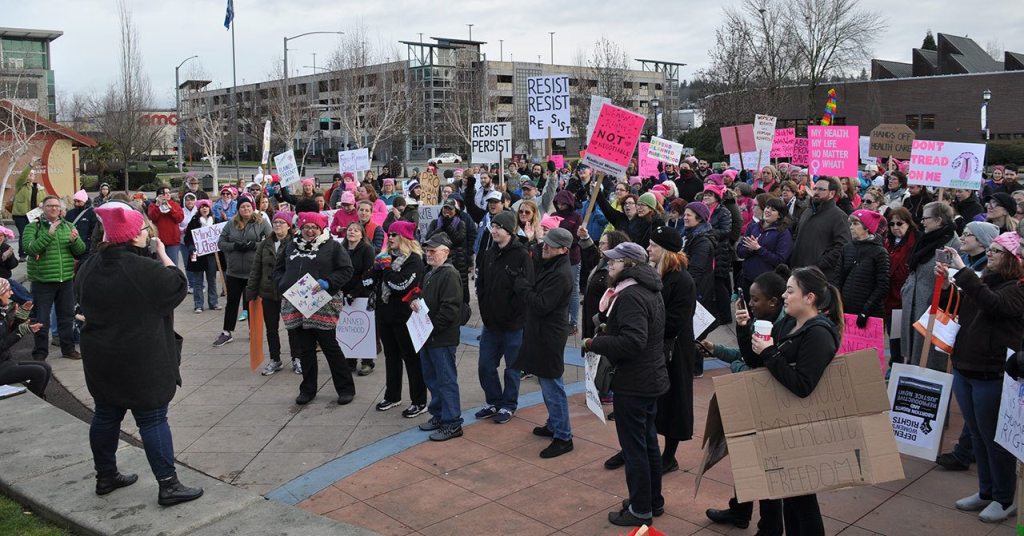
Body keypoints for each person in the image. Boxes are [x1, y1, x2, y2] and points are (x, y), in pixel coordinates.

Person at [75, 204, 203, 506]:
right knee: (154, 418)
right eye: (144, 229)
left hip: (101, 357)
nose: (148, 233)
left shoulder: (90, 265)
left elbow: (79, 298)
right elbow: (177, 286)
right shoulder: (144, 269)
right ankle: (168, 485)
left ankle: (105, 475)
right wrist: (163, 254)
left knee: (106, 415)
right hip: (140, 359)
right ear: (133, 237)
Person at [935, 234, 1024, 523]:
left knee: (994, 440)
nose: (992, 254)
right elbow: (964, 308)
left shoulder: (1017, 289)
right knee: (977, 436)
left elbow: (993, 305)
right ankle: (986, 491)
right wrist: (949, 287)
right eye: (993, 249)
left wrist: (962, 272)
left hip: (992, 372)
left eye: (998, 251)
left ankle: (1004, 497)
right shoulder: (985, 280)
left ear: (1012, 259)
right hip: (966, 367)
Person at [750, 266, 844, 535]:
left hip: (803, 427)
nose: (784, 296)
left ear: (809, 297)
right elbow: (757, 360)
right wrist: (745, 328)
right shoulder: (790, 323)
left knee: (802, 499)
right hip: (783, 422)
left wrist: (770, 354)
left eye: (790, 291)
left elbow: (803, 385)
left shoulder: (819, 334)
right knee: (791, 496)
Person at [583, 242, 667, 527]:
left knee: (635, 449)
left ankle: (641, 509)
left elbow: (633, 341)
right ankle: (652, 500)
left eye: (614, 261)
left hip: (636, 381)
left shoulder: (631, 294)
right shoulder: (648, 288)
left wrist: (596, 342)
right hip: (649, 377)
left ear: (630, 265)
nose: (609, 265)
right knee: (647, 443)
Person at [704, 267, 790, 532]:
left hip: (769, 404)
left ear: (774, 302)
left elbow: (758, 368)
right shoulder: (761, 322)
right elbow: (747, 356)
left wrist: (738, 368)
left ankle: (770, 527)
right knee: (744, 457)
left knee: (767, 469)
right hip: (753, 399)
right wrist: (718, 348)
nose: (750, 304)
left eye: (755, 300)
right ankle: (740, 510)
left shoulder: (784, 328)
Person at [605, 227, 695, 473]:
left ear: (665, 251)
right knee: (645, 406)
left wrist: (642, 325)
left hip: (674, 350)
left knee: (673, 403)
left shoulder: (682, 280)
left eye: (653, 245)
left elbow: (676, 320)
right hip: (651, 346)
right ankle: (634, 447)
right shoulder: (653, 274)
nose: (648, 249)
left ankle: (669, 456)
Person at [272, 211, 356, 405]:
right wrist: (282, 284)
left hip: (323, 303)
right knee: (305, 348)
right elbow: (278, 270)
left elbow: (346, 270)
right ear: (300, 228)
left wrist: (329, 282)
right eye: (306, 227)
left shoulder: (333, 246)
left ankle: (345, 388)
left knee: (330, 346)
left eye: (314, 227)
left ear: (321, 229)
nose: (310, 231)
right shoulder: (291, 246)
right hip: (296, 303)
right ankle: (308, 389)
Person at [514, 227, 575, 458]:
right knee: (547, 381)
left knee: (552, 385)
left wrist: (523, 288)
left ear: (563, 250)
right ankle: (554, 424)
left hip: (549, 334)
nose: (544, 246)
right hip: (542, 332)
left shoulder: (561, 274)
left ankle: (563, 436)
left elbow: (541, 304)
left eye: (550, 244)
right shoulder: (552, 263)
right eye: (545, 242)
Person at [474, 210, 534, 424]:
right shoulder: (489, 253)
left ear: (509, 230)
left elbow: (526, 289)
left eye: (498, 227)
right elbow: (480, 283)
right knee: (485, 366)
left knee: (512, 368)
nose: (494, 230)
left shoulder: (521, 255)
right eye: (493, 226)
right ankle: (493, 401)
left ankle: (508, 405)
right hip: (490, 324)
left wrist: (514, 314)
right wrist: (484, 307)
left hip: (513, 325)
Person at [373, 220, 427, 417]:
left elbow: (401, 285)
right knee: (391, 357)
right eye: (390, 234)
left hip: (405, 317)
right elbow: (372, 281)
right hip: (385, 315)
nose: (391, 237)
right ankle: (393, 395)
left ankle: (419, 401)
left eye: (395, 234)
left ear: (404, 237)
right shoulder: (384, 257)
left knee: (411, 359)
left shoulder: (414, 260)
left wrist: (385, 269)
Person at [415, 232, 465, 441]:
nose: (428, 254)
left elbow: (450, 309)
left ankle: (452, 422)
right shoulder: (431, 273)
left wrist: (431, 328)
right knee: (432, 378)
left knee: (445, 380)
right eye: (427, 250)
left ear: (445, 252)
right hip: (429, 336)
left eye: (432, 251)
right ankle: (440, 414)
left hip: (440, 338)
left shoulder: (449, 274)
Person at [23, 195, 86, 360]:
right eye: (50, 206)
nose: (54, 209)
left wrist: (75, 240)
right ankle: (40, 353)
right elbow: (29, 249)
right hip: (42, 281)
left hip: (65, 279)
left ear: (61, 209)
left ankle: (68, 349)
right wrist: (49, 234)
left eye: (57, 206)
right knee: (41, 319)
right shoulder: (33, 227)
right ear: (43, 208)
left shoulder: (68, 226)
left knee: (66, 317)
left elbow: (80, 251)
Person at [899, 201, 960, 370]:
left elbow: (950, 277)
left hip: (930, 306)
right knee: (912, 353)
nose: (922, 222)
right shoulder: (925, 238)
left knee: (927, 356)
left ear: (939, 221)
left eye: (926, 218)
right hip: (913, 301)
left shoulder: (951, 244)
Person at [213, 196, 271, 347]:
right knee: (232, 302)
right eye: (243, 207)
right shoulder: (231, 224)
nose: (246, 209)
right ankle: (227, 332)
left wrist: (255, 245)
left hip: (253, 271)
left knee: (252, 303)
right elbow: (221, 243)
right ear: (238, 209)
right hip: (234, 271)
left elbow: (271, 241)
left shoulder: (261, 222)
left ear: (253, 208)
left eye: (248, 207)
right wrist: (234, 246)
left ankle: (254, 330)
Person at [247, 210, 295, 376]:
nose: (277, 225)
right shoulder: (265, 244)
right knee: (271, 328)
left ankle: (297, 358)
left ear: (289, 226)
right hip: (267, 292)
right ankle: (275, 359)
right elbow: (255, 269)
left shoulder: (295, 243)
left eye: (281, 222)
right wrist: (251, 291)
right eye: (275, 222)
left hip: (288, 293)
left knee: (293, 327)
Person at [834, 209, 890, 328]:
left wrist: (865, 311)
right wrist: (837, 306)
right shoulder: (846, 248)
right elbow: (838, 279)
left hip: (870, 314)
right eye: (850, 224)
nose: (851, 227)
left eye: (856, 223)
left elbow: (882, 286)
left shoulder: (880, 252)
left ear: (867, 227)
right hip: (846, 311)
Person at [790, 176, 852, 281]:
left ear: (832, 193)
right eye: (815, 188)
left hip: (819, 275)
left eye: (821, 189)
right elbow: (796, 236)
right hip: (798, 272)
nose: (816, 192)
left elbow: (842, 246)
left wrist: (819, 264)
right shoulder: (807, 211)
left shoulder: (838, 216)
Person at [737, 196, 792, 298]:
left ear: (779, 215)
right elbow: (740, 251)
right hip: (747, 277)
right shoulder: (753, 227)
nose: (768, 211)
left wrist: (759, 249)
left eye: (773, 210)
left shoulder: (783, 233)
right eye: (767, 207)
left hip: (766, 283)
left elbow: (780, 260)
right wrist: (749, 249)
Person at [340, 221, 376, 376]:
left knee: (364, 328)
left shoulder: (367, 249)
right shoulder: (340, 249)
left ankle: (367, 362)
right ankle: (350, 360)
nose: (352, 232)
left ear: (362, 234)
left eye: (356, 230)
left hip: (362, 294)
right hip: (344, 293)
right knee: (349, 330)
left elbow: (368, 274)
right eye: (349, 229)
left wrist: (355, 292)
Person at [0, 279, 47, 396]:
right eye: (8, 290)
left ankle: (38, 399)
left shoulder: (2, 311)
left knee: (45, 367)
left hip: (5, 361)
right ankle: (35, 404)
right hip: (2, 365)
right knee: (39, 372)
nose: (11, 293)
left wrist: (21, 316)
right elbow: (2, 345)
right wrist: (21, 331)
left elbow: (7, 333)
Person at [883, 208, 918, 368]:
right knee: (894, 335)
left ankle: (907, 366)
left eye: (899, 223)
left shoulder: (915, 241)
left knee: (906, 336)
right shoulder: (888, 241)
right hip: (890, 298)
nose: (895, 227)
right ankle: (895, 364)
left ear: (908, 223)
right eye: (892, 224)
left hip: (905, 297)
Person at [426, 199, 469, 305]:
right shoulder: (435, 223)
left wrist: (448, 226)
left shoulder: (460, 223)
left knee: (458, 284)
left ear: (455, 211)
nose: (447, 211)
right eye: (445, 208)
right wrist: (441, 227)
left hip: (456, 259)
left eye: (450, 209)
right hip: (437, 258)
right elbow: (429, 238)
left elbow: (459, 240)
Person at [680, 201, 715, 330]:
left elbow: (696, 271)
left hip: (696, 290)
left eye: (688, 215)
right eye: (684, 214)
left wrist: (685, 290)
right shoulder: (688, 235)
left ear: (699, 218)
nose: (685, 217)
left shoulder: (703, 242)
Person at [183, 200, 221, 313]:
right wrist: (190, 247)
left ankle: (213, 303)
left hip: (211, 255)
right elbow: (187, 238)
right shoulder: (194, 221)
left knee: (212, 280)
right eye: (202, 207)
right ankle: (198, 305)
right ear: (199, 209)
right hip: (197, 254)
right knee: (197, 281)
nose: (204, 209)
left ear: (210, 208)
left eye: (206, 207)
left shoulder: (215, 221)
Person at [147, 186, 185, 269]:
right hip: (158, 240)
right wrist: (158, 206)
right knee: (158, 267)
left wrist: (171, 209)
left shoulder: (174, 205)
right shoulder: (152, 206)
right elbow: (152, 217)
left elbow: (179, 218)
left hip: (173, 241)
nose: (167, 195)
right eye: (164, 193)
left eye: (168, 193)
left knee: (173, 266)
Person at [11, 167, 42, 259]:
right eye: (29, 174)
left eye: (33, 174)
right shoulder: (20, 186)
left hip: (34, 214)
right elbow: (21, 177)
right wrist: (30, 166)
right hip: (20, 215)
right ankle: (23, 255)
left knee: (35, 233)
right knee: (23, 233)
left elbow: (44, 200)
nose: (31, 175)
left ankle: (34, 253)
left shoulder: (39, 188)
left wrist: (42, 203)